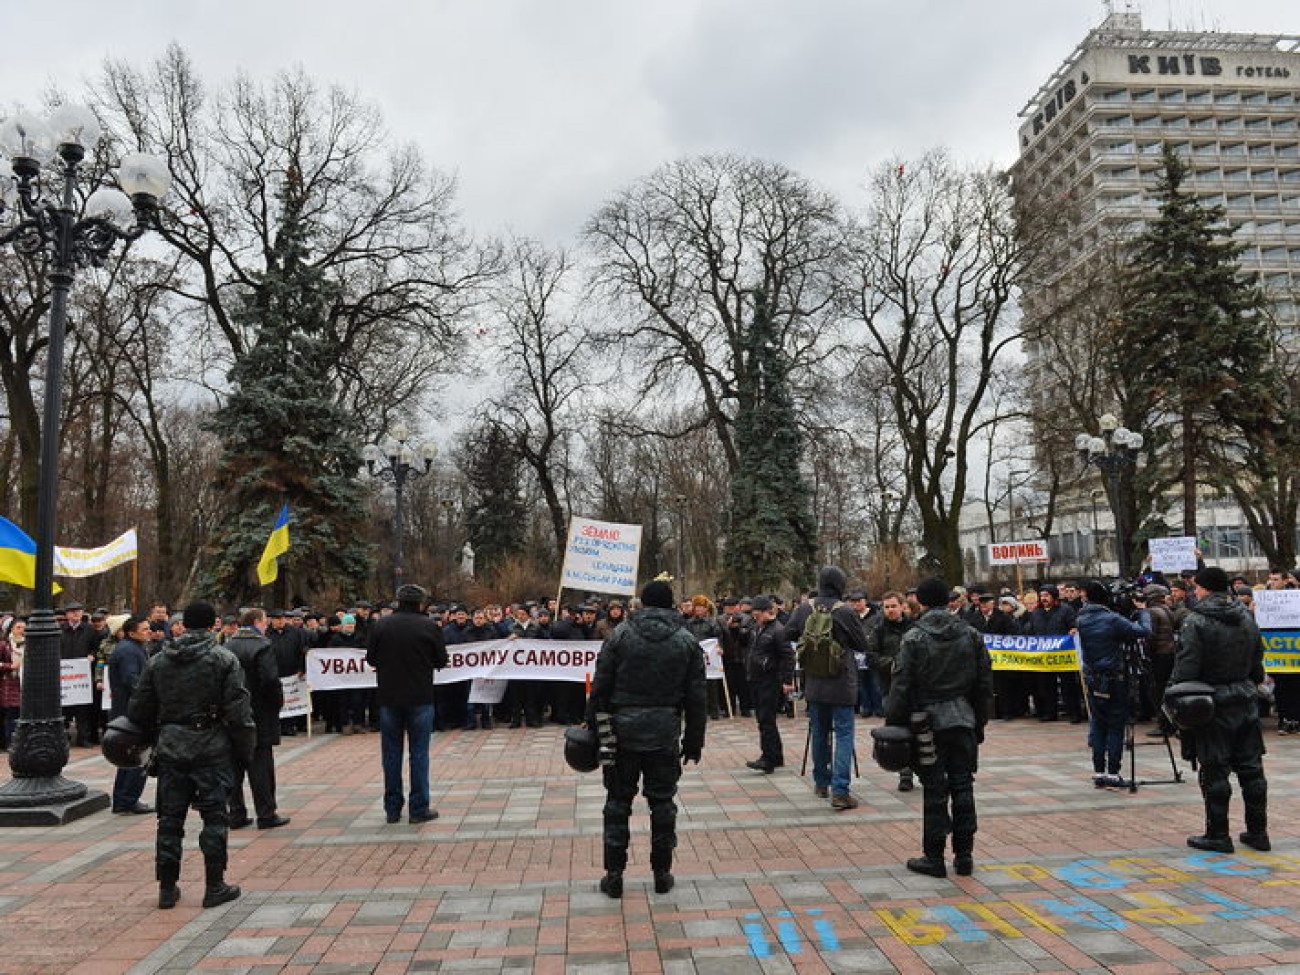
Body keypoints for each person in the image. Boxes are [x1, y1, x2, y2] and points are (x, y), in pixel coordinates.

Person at [128, 602, 255, 910]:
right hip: (211, 747)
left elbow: (138, 709)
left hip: (171, 747)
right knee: (214, 817)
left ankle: (167, 888)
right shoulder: (224, 660)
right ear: (213, 624)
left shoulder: (159, 661)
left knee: (169, 820)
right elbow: (239, 713)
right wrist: (245, 750)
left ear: (183, 625)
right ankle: (214, 886)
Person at [587, 578, 706, 899]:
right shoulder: (685, 639)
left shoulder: (620, 636)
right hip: (665, 731)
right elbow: (697, 698)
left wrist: (593, 732)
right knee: (663, 803)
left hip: (621, 732)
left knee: (616, 803)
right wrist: (694, 741)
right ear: (669, 604)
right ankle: (662, 873)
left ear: (642, 603)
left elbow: (599, 689)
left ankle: (614, 875)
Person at [884, 577, 993, 878]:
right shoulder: (970, 634)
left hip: (927, 722)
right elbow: (984, 683)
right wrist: (980, 722)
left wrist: (893, 725)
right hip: (963, 718)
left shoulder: (914, 637)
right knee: (962, 784)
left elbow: (901, 684)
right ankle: (964, 856)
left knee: (934, 788)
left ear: (920, 600)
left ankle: (934, 857)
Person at [1173, 566, 1270, 853]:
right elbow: (1257, 662)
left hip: (1211, 703)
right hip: (1245, 698)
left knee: (1215, 770)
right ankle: (1258, 832)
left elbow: (1187, 669)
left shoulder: (1196, 621)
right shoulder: (1246, 617)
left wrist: (1175, 703)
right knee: (1251, 770)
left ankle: (1218, 833)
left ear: (1203, 588)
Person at [785, 566, 868, 810]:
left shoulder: (804, 608)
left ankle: (821, 783)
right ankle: (840, 791)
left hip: (814, 682)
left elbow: (788, 633)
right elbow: (862, 644)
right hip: (842, 682)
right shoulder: (845, 612)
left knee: (819, 732)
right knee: (844, 735)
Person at [365, 584, 448, 824]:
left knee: (391, 754)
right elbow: (441, 659)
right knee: (419, 754)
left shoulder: (381, 625)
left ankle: (392, 809)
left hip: (389, 697)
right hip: (420, 697)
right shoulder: (429, 626)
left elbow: (371, 658)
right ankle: (418, 808)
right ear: (421, 603)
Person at [1075, 581, 1151, 789]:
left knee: (1098, 725)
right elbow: (1143, 631)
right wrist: (1142, 611)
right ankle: (1113, 773)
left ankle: (1099, 771)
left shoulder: (1082, 618)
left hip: (1093, 677)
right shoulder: (1111, 619)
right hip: (1113, 678)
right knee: (1116, 725)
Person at [225, 608, 289, 830]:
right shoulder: (263, 645)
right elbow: (270, 679)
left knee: (234, 765)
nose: (267, 625)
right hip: (259, 712)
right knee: (260, 764)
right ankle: (266, 813)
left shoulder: (228, 645)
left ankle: (236, 813)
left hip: (233, 712)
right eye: (265, 621)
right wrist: (276, 703)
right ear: (257, 622)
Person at [867, 591, 916, 791]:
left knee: (920, 727)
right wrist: (893, 665)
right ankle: (905, 774)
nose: (890, 610)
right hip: (890, 687)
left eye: (893, 606)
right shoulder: (878, 629)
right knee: (897, 729)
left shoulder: (914, 627)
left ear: (902, 606)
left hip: (915, 687)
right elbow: (871, 656)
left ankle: (922, 768)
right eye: (886, 607)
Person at [108, 616, 154, 815]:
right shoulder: (128, 650)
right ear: (131, 632)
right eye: (144, 629)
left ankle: (124, 799)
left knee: (128, 757)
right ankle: (127, 799)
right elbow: (132, 680)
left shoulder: (133, 647)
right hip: (132, 712)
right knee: (134, 755)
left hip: (130, 710)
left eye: (148, 628)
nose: (148, 632)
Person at [743, 596, 793, 774]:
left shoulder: (778, 630)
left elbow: (788, 656)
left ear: (767, 612)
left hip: (769, 680)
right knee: (764, 719)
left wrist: (787, 680)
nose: (755, 618)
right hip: (756, 678)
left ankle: (768, 758)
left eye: (757, 615)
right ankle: (776, 755)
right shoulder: (757, 628)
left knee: (766, 720)